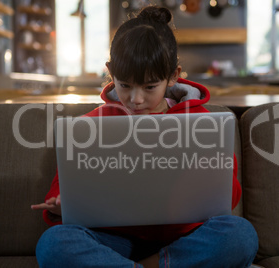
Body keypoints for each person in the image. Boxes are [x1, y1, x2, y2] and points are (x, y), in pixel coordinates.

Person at [31, 6, 258, 268]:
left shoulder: (203, 124)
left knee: (240, 235)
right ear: (110, 72)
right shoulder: (91, 125)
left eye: (150, 87)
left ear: (173, 76)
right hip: (114, 241)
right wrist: (61, 203)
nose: (136, 99)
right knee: (54, 243)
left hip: (183, 240)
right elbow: (66, 185)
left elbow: (227, 198)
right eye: (124, 85)